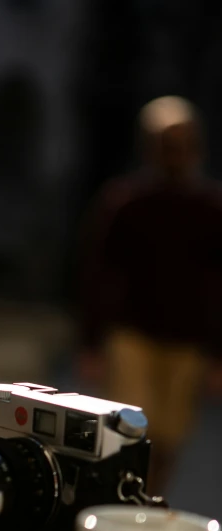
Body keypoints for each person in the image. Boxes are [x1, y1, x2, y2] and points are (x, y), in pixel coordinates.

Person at [78, 96, 222, 494]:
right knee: (128, 431)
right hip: (132, 334)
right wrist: (91, 342)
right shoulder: (126, 203)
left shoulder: (211, 209)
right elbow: (98, 273)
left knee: (170, 437)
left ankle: (149, 504)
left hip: (187, 342)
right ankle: (120, 501)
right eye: (166, 144)